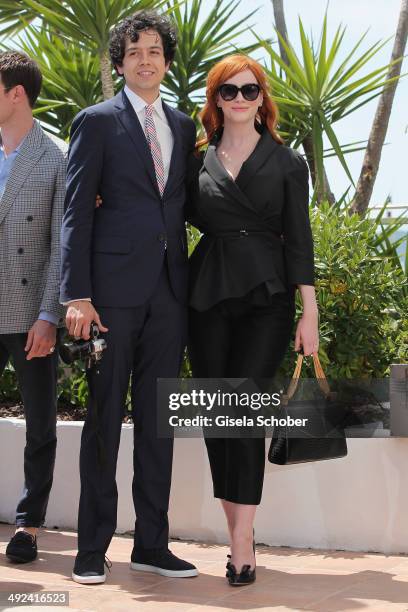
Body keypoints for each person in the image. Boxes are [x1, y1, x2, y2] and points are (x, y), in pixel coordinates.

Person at [60, 10, 198, 584]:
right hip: (110, 295)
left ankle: (152, 544)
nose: (147, 59)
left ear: (167, 62)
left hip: (169, 292)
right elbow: (75, 213)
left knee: (157, 423)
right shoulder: (96, 121)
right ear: (119, 62)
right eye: (135, 51)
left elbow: (182, 205)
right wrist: (77, 295)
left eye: (156, 51)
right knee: (103, 421)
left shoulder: (184, 126)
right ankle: (91, 548)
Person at [187, 54, 319, 586]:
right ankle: (235, 531)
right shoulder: (196, 162)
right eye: (228, 92)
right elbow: (167, 214)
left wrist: (309, 310)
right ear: (215, 101)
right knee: (217, 417)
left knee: (242, 412)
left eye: (248, 91)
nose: (239, 99)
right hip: (207, 296)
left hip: (267, 296)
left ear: (263, 98)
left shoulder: (287, 163)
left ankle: (243, 544)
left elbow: (300, 241)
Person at [0, 51, 66, 563]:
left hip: (29, 314)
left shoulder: (56, 156)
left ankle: (28, 525)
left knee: (39, 424)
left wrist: (49, 315)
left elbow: (60, 246)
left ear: (15, 93)